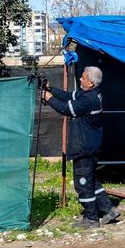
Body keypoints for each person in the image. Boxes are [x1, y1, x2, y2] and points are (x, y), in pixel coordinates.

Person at [44, 66, 119, 228]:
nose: (80, 79)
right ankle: (108, 209)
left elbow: (65, 108)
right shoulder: (91, 94)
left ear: (90, 83)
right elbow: (68, 95)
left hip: (84, 147)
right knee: (92, 180)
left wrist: (48, 98)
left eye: (83, 77)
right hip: (92, 145)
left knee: (83, 183)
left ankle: (91, 218)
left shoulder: (88, 100)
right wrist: (51, 89)